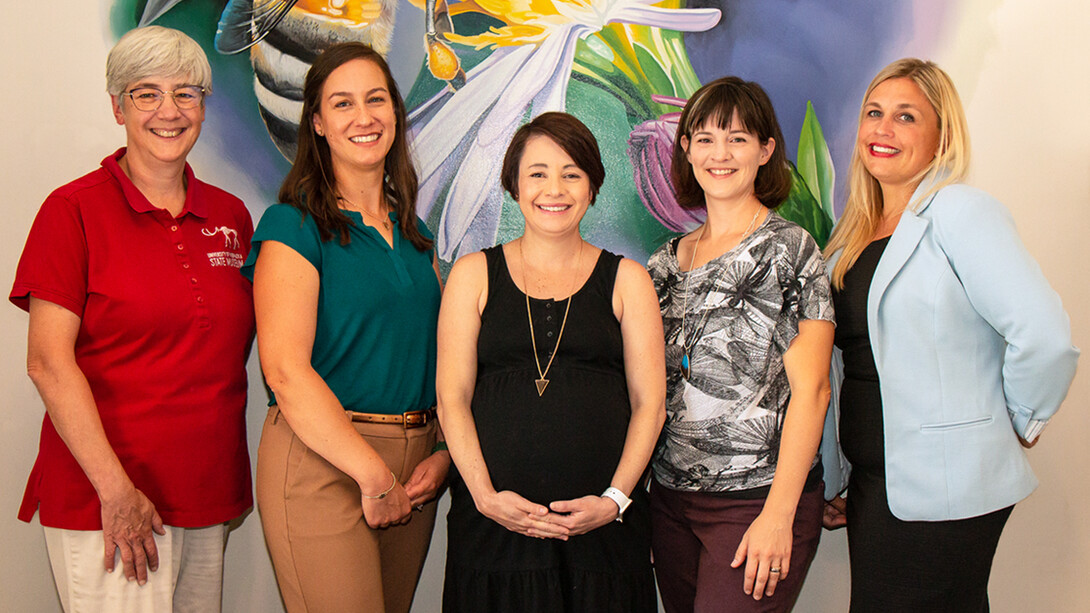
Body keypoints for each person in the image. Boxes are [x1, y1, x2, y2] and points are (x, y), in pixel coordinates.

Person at [9, 26, 255, 612]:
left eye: (187, 94)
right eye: (147, 93)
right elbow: (47, 363)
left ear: (203, 105)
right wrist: (117, 492)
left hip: (205, 491)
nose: (168, 111)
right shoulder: (73, 211)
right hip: (108, 500)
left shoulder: (231, 215)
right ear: (117, 106)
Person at [819, 58, 1079, 612]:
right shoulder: (850, 239)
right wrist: (839, 475)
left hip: (947, 489)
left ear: (941, 137)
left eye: (906, 117)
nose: (882, 130)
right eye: (874, 113)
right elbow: (843, 367)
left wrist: (1021, 420)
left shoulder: (960, 212)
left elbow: (1045, 334)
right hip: (877, 486)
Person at [243, 42, 449, 613]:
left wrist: (445, 451)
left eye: (376, 99)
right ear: (318, 123)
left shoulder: (418, 236)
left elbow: (443, 361)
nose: (364, 117)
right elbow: (284, 371)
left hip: (416, 466)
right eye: (342, 103)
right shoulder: (293, 224)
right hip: (327, 461)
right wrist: (372, 475)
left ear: (396, 115)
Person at [436, 112, 666, 612]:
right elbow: (451, 398)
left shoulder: (629, 280)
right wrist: (484, 495)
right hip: (494, 530)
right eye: (537, 173)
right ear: (514, 185)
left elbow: (650, 405)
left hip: (601, 537)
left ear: (592, 187)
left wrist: (615, 501)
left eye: (572, 173)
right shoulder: (473, 275)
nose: (554, 188)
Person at [645, 76, 835, 612]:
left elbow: (814, 391)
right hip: (671, 500)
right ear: (685, 149)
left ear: (765, 150)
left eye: (737, 138)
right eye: (704, 138)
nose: (720, 154)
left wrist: (779, 514)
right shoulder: (661, 264)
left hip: (756, 501)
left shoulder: (790, 250)